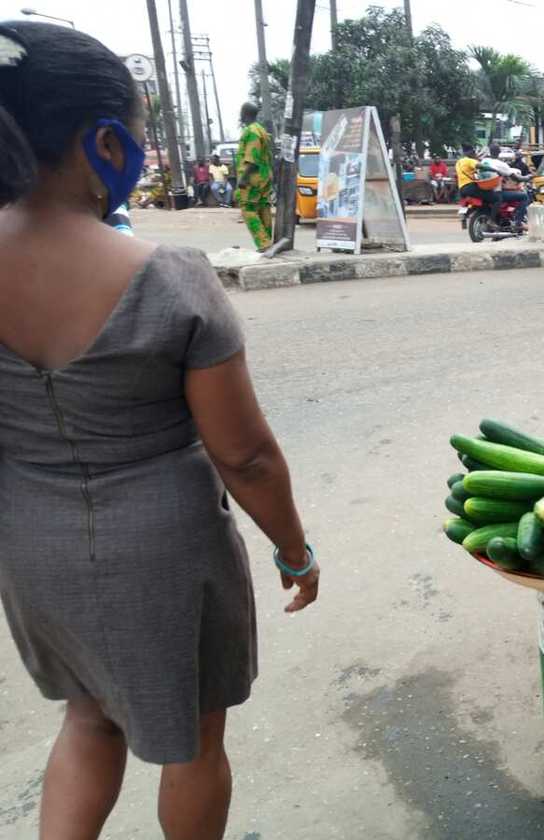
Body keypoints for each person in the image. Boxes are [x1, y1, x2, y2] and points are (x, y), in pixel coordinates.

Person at [0, 22, 318, 840]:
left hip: (30, 541)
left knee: (87, 719)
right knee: (193, 745)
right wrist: (294, 552)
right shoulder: (168, 279)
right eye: (139, 136)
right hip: (164, 549)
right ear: (105, 141)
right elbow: (244, 456)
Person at [235, 101, 274, 251]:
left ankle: (264, 244)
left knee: (248, 209)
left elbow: (252, 159)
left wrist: (243, 179)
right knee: (263, 208)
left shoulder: (251, 132)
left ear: (244, 114)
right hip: (264, 176)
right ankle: (268, 242)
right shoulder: (261, 130)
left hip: (252, 178)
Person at [481, 142, 531, 228]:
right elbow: (517, 178)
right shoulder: (501, 164)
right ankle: (518, 222)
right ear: (499, 152)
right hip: (496, 192)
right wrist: (528, 177)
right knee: (524, 196)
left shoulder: (484, 161)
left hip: (485, 191)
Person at [456, 143, 500, 220]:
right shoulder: (469, 161)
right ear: (470, 152)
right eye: (473, 152)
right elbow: (481, 166)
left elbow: (475, 172)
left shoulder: (459, 162)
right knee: (497, 199)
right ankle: (492, 221)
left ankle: (471, 212)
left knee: (485, 201)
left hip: (462, 189)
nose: (474, 154)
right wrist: (495, 170)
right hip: (471, 187)